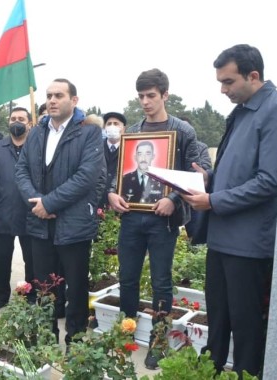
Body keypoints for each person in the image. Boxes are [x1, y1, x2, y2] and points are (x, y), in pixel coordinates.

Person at [182, 44, 277, 378]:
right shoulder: (242, 111)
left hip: (248, 243)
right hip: (222, 238)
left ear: (253, 76)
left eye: (228, 82)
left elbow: (269, 181)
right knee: (219, 318)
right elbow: (238, 171)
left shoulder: (275, 109)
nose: (223, 90)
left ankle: (245, 374)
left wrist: (212, 201)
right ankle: (210, 372)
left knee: (246, 325)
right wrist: (208, 179)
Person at [107, 68, 199, 370]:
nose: (145, 102)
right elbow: (116, 174)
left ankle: (159, 341)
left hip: (164, 222)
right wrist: (112, 194)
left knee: (161, 281)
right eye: (141, 97)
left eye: (151, 96)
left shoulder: (183, 131)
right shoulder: (131, 131)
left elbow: (198, 171)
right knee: (128, 278)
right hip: (132, 218)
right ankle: (127, 333)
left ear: (165, 95)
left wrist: (173, 199)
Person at [15, 78, 105, 346]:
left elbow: (86, 177)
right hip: (40, 223)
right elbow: (21, 171)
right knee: (44, 286)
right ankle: (47, 339)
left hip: (73, 224)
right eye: (49, 95)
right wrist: (37, 203)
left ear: (74, 100)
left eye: (59, 95)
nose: (52, 100)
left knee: (76, 287)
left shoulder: (88, 133)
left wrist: (50, 203)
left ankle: (75, 342)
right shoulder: (37, 133)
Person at [0, 107, 35, 312]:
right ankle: (1, 295)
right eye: (13, 118)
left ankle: (31, 295)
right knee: (1, 259)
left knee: (32, 259)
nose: (17, 122)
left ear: (29, 123)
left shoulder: (36, 146)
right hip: (3, 212)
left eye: (21, 118)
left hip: (31, 212)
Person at [101, 112, 127, 209]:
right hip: (98, 203)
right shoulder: (95, 147)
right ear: (105, 128)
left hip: (120, 202)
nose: (112, 126)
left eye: (116, 124)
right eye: (109, 124)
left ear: (123, 128)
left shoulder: (129, 149)